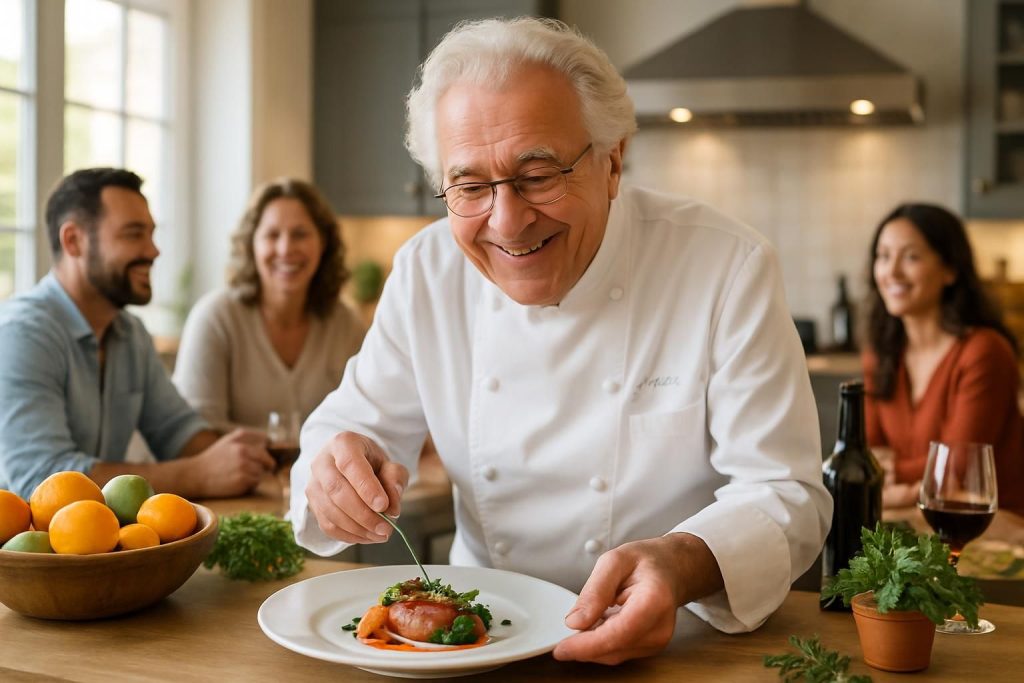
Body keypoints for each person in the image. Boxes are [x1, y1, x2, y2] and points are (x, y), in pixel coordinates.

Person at [292, 17, 830, 664]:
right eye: (470, 185)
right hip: (478, 645)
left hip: (675, 652)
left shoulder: (724, 266)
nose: (508, 220)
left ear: (613, 160)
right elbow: (348, 428)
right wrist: (337, 468)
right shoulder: (427, 270)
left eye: (538, 174)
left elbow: (784, 493)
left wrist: (682, 563)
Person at [0, 168, 275, 500]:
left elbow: (177, 433)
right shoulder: (22, 336)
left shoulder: (130, 334)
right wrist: (197, 475)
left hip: (96, 546)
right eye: (133, 234)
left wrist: (246, 460)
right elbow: (43, 481)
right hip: (18, 547)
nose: (153, 251)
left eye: (151, 234)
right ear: (73, 241)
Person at [862, 203, 1024, 512]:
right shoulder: (879, 353)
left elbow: (958, 468)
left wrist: (885, 479)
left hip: (994, 533)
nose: (891, 271)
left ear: (950, 269)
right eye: (883, 256)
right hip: (912, 524)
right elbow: (866, 454)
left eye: (911, 257)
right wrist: (908, 482)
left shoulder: (984, 352)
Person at [173, 179, 365, 432]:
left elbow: (366, 417)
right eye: (272, 235)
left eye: (300, 234)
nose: (286, 249)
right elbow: (196, 431)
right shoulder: (215, 318)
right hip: (232, 473)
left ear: (323, 243)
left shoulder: (346, 324)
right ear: (251, 245)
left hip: (321, 473)